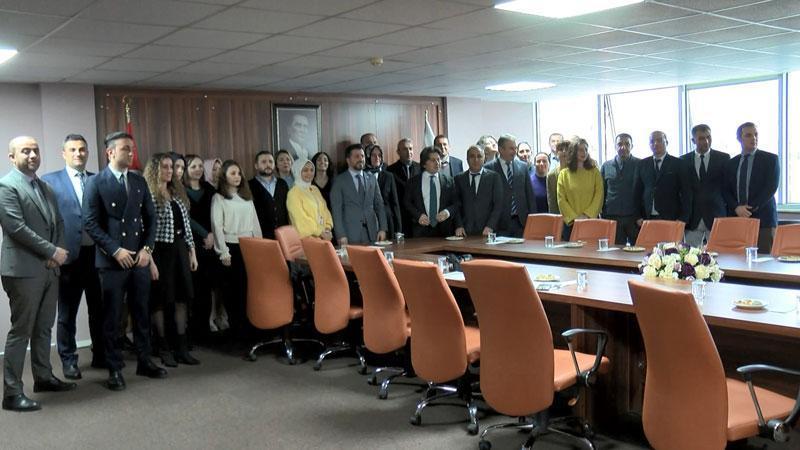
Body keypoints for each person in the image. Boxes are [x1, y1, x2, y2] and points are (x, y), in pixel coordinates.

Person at [83, 131, 167, 392]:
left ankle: (144, 361)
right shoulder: (96, 182)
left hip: (139, 258)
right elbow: (90, 223)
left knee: (142, 312)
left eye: (132, 149)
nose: (131, 153)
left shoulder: (138, 180)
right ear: (110, 152)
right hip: (112, 262)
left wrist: (147, 250)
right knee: (113, 318)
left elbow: (151, 219)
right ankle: (114, 368)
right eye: (125, 149)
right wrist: (114, 250)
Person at [1, 136, 74, 412]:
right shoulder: (6, 186)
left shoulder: (45, 187)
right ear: (12, 157)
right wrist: (52, 252)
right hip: (23, 271)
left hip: (48, 269)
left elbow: (59, 223)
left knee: (44, 328)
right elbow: (16, 228)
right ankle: (12, 393)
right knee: (21, 331)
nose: (32, 155)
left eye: (35, 150)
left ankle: (43, 377)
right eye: (25, 151)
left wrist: (58, 253)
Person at [41, 134, 104, 380]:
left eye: (82, 149)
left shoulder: (97, 180)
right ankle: (68, 360)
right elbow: (46, 219)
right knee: (67, 314)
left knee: (99, 310)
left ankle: (101, 354)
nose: (78, 153)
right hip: (68, 258)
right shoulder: (50, 181)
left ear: (87, 152)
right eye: (73, 150)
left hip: (97, 256)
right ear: (64, 153)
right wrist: (51, 250)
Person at [145, 154, 199, 367]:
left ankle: (181, 348)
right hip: (159, 251)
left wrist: (192, 252)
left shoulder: (177, 192)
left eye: (171, 167)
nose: (169, 170)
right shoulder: (149, 195)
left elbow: (186, 226)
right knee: (160, 300)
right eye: (164, 167)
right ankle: (163, 347)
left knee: (181, 298)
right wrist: (150, 261)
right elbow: (146, 231)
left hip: (179, 250)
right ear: (155, 170)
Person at [210, 160, 262, 342]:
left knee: (249, 289)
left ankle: (250, 328)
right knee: (234, 291)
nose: (237, 176)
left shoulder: (246, 196)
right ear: (224, 176)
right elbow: (217, 226)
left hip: (249, 246)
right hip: (231, 247)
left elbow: (255, 223)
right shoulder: (219, 198)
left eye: (239, 173)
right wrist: (223, 251)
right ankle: (237, 332)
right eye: (232, 173)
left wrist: (260, 246)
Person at [183, 154, 227, 338]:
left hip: (212, 242)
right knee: (197, 287)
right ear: (186, 170)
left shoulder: (209, 189)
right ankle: (198, 328)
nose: (198, 170)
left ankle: (211, 324)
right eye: (193, 166)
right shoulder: (182, 190)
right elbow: (186, 217)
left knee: (213, 285)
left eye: (200, 166)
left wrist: (213, 235)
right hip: (193, 243)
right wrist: (205, 234)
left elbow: (217, 214)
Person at [723, 122, 780, 254]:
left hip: (763, 219)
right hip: (737, 218)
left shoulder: (770, 159)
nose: (753, 138)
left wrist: (748, 209)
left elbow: (770, 188)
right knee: (737, 259)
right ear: (739, 138)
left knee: (764, 260)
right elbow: (725, 190)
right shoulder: (731, 163)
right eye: (748, 135)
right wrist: (737, 208)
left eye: (756, 134)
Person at [680, 125, 730, 248]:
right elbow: (682, 190)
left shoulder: (723, 158)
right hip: (692, 218)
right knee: (689, 255)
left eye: (708, 137)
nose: (706, 141)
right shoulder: (683, 160)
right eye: (701, 138)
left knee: (719, 253)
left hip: (716, 215)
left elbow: (728, 188)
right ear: (693, 141)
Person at [330, 144, 387, 245]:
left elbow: (379, 205)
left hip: (372, 233)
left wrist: (383, 228)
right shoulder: (339, 181)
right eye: (357, 156)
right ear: (348, 160)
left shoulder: (371, 178)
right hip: (350, 234)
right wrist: (340, 234)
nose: (361, 159)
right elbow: (336, 211)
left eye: (362, 156)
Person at [634, 131, 692, 227]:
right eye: (652, 141)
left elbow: (687, 193)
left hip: (672, 217)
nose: (655, 144)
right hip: (647, 217)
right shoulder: (642, 164)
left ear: (666, 142)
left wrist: (683, 218)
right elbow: (637, 193)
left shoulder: (679, 164)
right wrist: (637, 216)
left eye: (659, 140)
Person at [485, 134, 537, 237]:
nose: (514, 151)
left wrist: (533, 221)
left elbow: (530, 196)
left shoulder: (522, 167)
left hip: (521, 222)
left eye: (515, 148)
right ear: (501, 149)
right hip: (499, 224)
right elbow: (487, 200)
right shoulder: (489, 168)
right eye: (511, 148)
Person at [404, 146, 458, 238]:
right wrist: (418, 215)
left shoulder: (449, 181)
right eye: (433, 160)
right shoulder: (413, 182)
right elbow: (407, 202)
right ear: (424, 164)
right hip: (420, 230)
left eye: (438, 159)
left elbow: (456, 203)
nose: (437, 163)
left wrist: (447, 212)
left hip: (444, 230)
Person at [557, 138, 604, 240]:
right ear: (573, 152)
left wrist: (587, 215)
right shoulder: (564, 174)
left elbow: (599, 195)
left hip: (591, 221)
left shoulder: (594, 172)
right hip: (571, 224)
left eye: (586, 149)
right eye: (581, 150)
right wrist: (575, 218)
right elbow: (561, 200)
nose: (584, 152)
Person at [453, 145, 503, 238]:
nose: (476, 160)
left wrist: (490, 226)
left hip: (488, 230)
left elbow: (498, 205)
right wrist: (459, 225)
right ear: (467, 159)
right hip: (464, 231)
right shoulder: (459, 179)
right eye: (472, 156)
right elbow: (456, 205)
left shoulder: (494, 177)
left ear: (484, 158)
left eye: (479, 156)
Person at [601, 133, 641, 245]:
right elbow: (602, 192)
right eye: (619, 144)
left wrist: (641, 215)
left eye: (627, 144)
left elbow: (644, 192)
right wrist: (602, 214)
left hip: (634, 218)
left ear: (632, 146)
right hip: (612, 217)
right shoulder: (606, 166)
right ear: (615, 146)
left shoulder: (640, 164)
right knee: (616, 251)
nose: (623, 147)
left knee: (638, 250)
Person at [287, 159, 334, 240]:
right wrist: (320, 232)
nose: (309, 173)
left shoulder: (314, 189)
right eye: (305, 170)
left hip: (323, 237)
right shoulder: (293, 193)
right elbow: (301, 219)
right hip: (306, 239)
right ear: (297, 172)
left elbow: (325, 210)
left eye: (312, 170)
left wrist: (327, 228)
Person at [248, 151, 289, 239]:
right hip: (261, 236)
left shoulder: (282, 183)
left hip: (284, 236)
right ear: (256, 166)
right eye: (263, 162)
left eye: (270, 162)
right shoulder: (249, 186)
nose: (268, 164)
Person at [366, 144, 403, 237]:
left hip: (387, 219)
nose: (377, 158)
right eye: (373, 155)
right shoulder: (363, 175)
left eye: (379, 155)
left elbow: (395, 203)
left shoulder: (388, 176)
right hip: (368, 220)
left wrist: (399, 228)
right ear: (368, 157)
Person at [386, 138, 421, 236]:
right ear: (398, 152)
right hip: (400, 216)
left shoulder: (420, 168)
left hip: (418, 216)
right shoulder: (390, 170)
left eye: (410, 149)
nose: (409, 152)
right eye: (405, 149)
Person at [547, 141, 569, 214]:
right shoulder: (551, 175)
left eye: (567, 149)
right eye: (561, 149)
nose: (564, 151)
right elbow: (552, 201)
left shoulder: (577, 172)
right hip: (559, 214)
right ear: (556, 153)